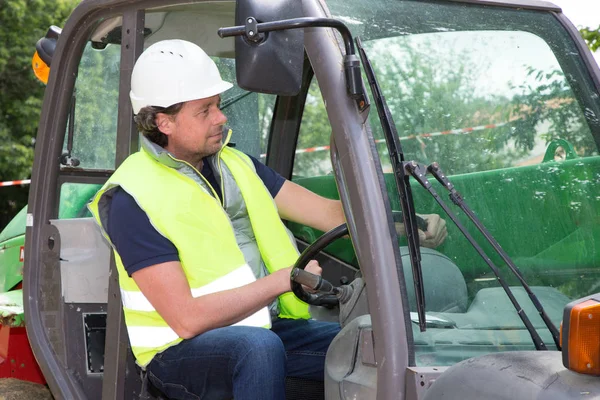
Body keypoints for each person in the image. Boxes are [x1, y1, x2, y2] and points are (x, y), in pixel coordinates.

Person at [89, 39, 446, 400]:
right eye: (205, 110)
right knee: (257, 348)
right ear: (163, 121)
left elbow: (327, 212)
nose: (221, 117)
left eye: (218, 105)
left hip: (263, 327)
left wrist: (408, 224)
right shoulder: (131, 198)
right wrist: (282, 282)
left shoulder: (237, 165)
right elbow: (187, 319)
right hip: (180, 352)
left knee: (375, 343)